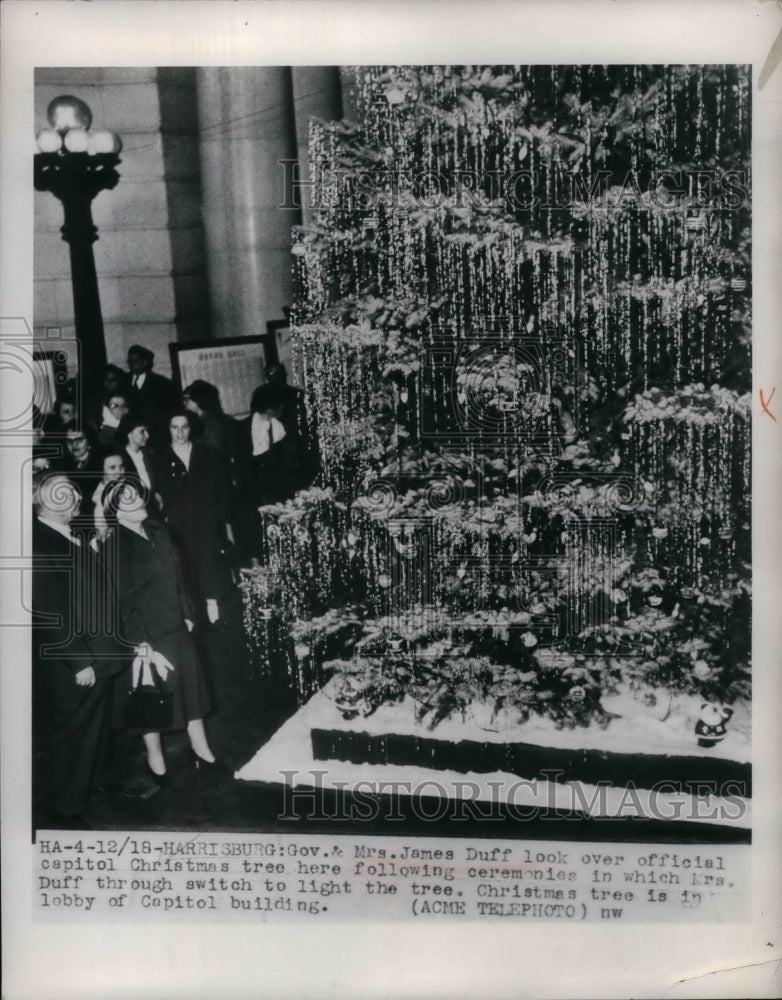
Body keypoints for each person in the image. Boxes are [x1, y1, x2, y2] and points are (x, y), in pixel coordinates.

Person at [100, 478, 218, 779]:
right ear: (116, 512)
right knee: (149, 695)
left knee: (190, 688)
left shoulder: (157, 529)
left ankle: (201, 748)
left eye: (136, 494)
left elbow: (180, 576)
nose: (137, 500)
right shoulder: (115, 546)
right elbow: (123, 600)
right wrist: (140, 643)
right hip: (146, 634)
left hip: (176, 625)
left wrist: (189, 612)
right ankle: (155, 755)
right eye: (126, 498)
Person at [32, 472, 130, 827]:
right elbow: (50, 612)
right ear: (44, 502)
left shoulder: (65, 535)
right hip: (78, 660)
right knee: (73, 734)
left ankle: (93, 782)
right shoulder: (41, 543)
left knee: (96, 726)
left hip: (99, 651)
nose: (74, 501)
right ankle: (65, 808)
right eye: (65, 496)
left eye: (74, 494)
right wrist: (79, 661)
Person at [155, 411, 233, 623]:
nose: (180, 433)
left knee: (209, 562)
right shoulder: (161, 459)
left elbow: (222, 490)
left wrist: (223, 521)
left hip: (207, 519)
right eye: (174, 427)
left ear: (191, 429)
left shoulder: (208, 454)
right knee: (186, 564)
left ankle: (212, 605)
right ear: (168, 429)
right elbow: (159, 495)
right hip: (178, 523)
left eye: (185, 427)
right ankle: (191, 611)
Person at [126, 345, 178, 446]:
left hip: (155, 439)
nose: (132, 365)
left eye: (135, 361)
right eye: (129, 362)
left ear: (145, 362)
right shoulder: (123, 381)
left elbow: (169, 412)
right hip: (131, 440)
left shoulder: (162, 384)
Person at [114, 412, 163, 518]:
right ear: (129, 433)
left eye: (147, 431)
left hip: (153, 512)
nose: (147, 435)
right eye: (142, 431)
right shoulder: (119, 460)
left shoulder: (150, 456)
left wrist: (157, 493)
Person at [62, 428, 104, 520]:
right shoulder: (64, 466)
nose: (74, 445)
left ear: (89, 441)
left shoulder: (102, 464)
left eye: (79, 440)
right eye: (69, 441)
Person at [91, 449, 126, 540]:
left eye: (121, 466)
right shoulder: (96, 497)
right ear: (101, 470)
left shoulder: (128, 487)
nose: (119, 472)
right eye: (112, 468)